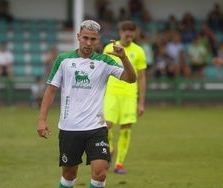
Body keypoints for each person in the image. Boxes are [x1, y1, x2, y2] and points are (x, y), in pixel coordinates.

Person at [37, 20, 136, 188]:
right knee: (69, 175)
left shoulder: (105, 61)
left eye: (93, 39)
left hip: (96, 127)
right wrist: (42, 119)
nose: (89, 43)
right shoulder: (63, 60)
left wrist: (124, 58)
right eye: (85, 38)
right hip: (70, 127)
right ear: (78, 37)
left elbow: (131, 79)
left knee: (100, 172)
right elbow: (51, 90)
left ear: (98, 40)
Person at [103, 20, 146, 174]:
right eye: (126, 33)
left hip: (129, 95)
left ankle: (119, 164)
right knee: (105, 127)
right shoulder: (109, 48)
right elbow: (102, 71)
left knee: (126, 130)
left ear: (134, 34)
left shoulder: (139, 51)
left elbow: (142, 78)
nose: (129, 37)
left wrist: (141, 102)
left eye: (131, 34)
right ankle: (111, 148)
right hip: (111, 93)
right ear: (120, 33)